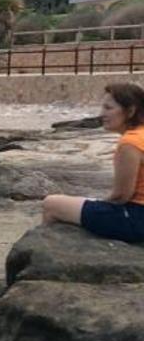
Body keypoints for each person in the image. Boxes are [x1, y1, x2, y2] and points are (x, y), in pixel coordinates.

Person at [42, 83, 144, 243]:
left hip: (137, 219)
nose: (101, 114)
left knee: (51, 204)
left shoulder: (130, 143)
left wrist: (99, 205)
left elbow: (121, 196)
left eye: (108, 108)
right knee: (84, 203)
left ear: (130, 111)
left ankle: (46, 256)